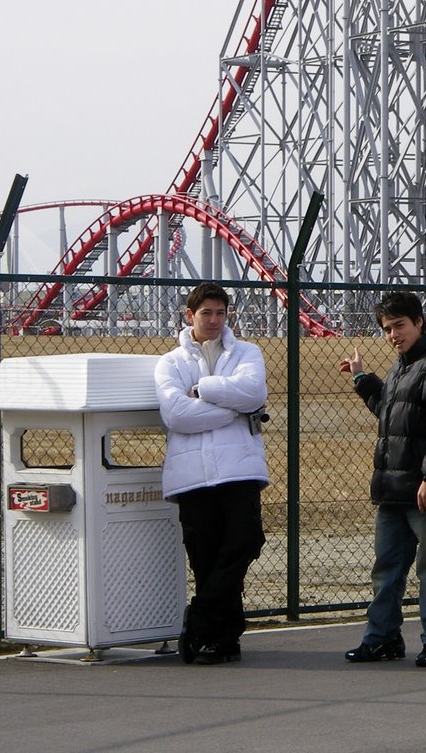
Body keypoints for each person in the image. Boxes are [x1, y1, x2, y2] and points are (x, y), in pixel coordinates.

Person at [339, 291, 426, 668]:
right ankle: (382, 638)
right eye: (387, 329)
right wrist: (363, 378)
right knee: (386, 570)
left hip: (422, 491)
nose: (393, 334)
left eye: (399, 325)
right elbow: (391, 415)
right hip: (393, 490)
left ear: (419, 323)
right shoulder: (401, 367)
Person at [155, 282, 269, 665]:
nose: (215, 320)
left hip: (240, 470)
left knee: (245, 540)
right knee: (205, 556)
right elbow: (176, 415)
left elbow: (253, 394)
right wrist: (231, 410)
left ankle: (200, 619)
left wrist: (202, 389)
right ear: (190, 316)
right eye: (207, 313)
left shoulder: (247, 352)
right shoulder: (170, 362)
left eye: (220, 313)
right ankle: (221, 639)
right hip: (192, 475)